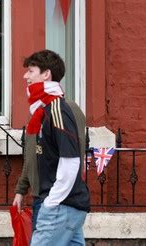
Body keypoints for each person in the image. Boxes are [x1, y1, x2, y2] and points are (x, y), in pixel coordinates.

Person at [12, 49, 90, 245]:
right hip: (59, 204)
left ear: (46, 74)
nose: (25, 76)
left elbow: (71, 160)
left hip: (58, 206)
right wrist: (22, 188)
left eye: (31, 70)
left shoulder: (59, 109)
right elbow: (34, 155)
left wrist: (51, 203)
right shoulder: (41, 111)